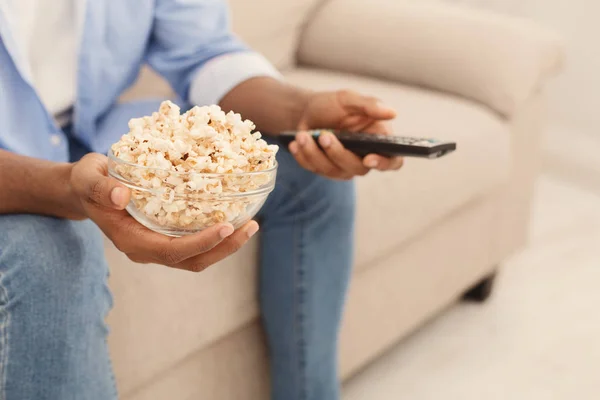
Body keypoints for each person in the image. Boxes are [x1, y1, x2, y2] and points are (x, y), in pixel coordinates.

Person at [0, 1, 403, 399]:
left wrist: (301, 110)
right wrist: (64, 187)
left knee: (301, 174)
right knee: (52, 253)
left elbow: (203, 51)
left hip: (89, 129)